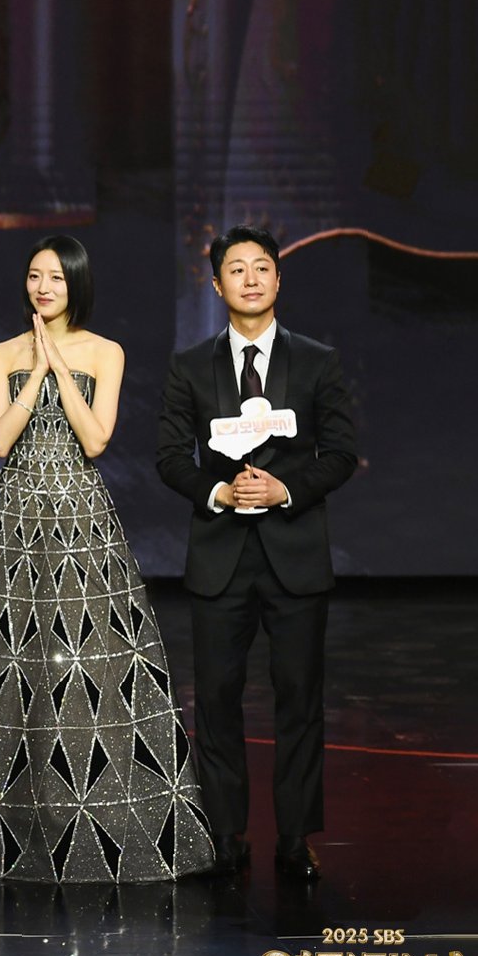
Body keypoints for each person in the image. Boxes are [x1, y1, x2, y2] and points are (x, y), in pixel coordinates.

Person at [0, 236, 215, 882]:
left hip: (81, 516)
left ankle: (96, 821)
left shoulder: (105, 351)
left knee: (88, 661)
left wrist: (57, 360)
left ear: (75, 282)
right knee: (1, 663)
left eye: (55, 276)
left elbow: (96, 438)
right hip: (14, 515)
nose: (43, 286)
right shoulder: (0, 353)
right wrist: (34, 373)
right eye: (34, 275)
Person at [156, 225, 357, 882]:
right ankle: (225, 833)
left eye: (261, 266)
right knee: (216, 697)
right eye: (236, 268)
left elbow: (340, 453)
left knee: (299, 696)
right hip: (220, 556)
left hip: (295, 554)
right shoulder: (190, 365)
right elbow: (168, 456)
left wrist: (284, 489)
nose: (250, 277)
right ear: (217, 285)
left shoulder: (317, 361)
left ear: (278, 278)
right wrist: (217, 491)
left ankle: (295, 837)